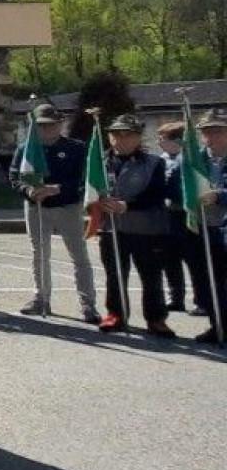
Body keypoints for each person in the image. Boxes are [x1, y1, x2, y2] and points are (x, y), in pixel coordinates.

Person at [14, 103, 98, 322]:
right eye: (41, 125)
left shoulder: (76, 148)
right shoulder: (26, 149)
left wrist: (59, 188)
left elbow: (85, 181)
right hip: (36, 207)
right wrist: (28, 191)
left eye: (51, 125)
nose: (46, 129)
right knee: (39, 254)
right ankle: (41, 298)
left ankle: (87, 303)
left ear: (61, 124)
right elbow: (15, 177)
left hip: (67, 206)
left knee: (78, 255)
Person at [91, 113, 174, 336]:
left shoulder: (155, 163)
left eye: (128, 135)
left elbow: (156, 195)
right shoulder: (98, 162)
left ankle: (156, 319)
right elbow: (87, 189)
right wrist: (96, 202)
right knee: (115, 275)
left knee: (151, 277)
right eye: (116, 134)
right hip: (112, 230)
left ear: (138, 138)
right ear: (109, 137)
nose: (122, 139)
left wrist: (127, 206)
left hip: (147, 229)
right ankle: (116, 314)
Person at [188, 109, 227, 343]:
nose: (211, 136)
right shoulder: (194, 159)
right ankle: (218, 324)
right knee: (207, 281)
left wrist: (220, 196)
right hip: (202, 228)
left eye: (217, 131)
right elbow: (178, 186)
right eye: (206, 132)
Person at [157, 122, 191, 314]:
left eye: (163, 139)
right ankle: (176, 297)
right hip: (167, 215)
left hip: (185, 214)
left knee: (193, 259)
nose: (160, 143)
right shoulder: (161, 160)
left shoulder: (189, 160)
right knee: (169, 258)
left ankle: (202, 300)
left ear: (177, 140)